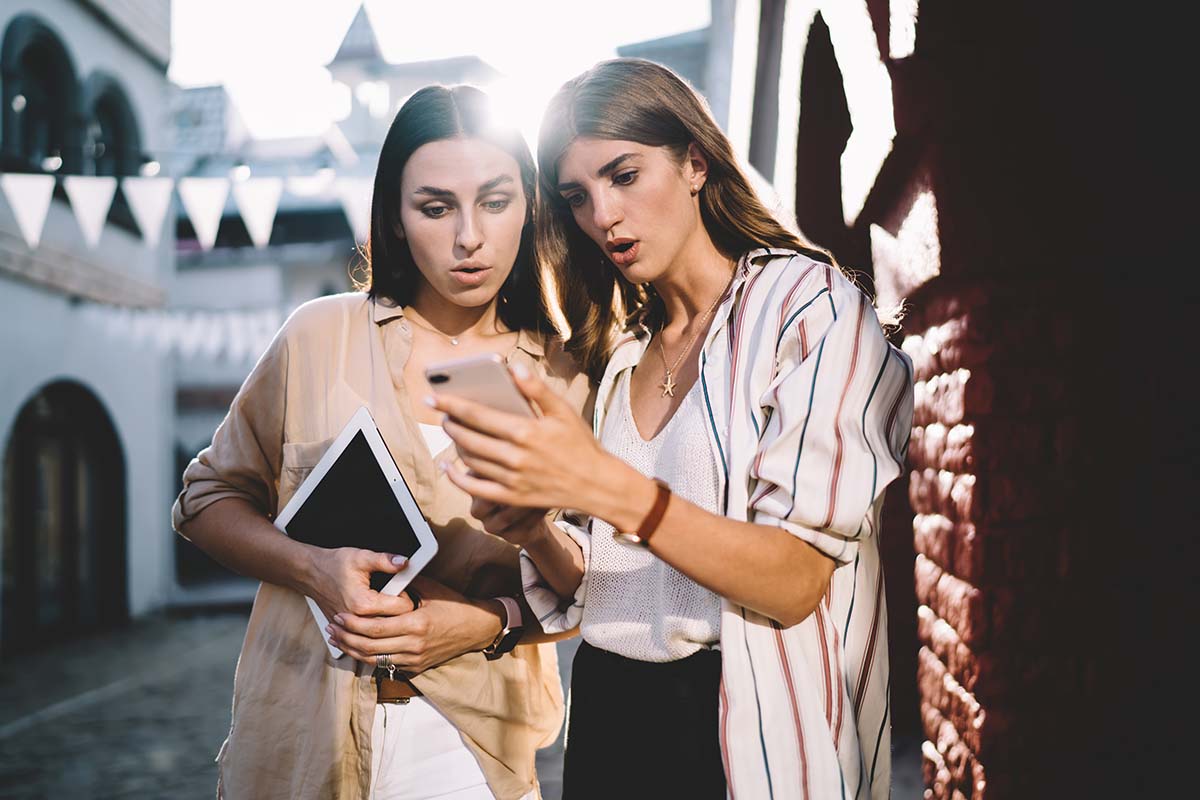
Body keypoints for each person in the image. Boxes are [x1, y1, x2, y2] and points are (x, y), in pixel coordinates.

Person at [431, 59, 914, 799]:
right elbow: (604, 588)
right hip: (612, 719)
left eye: (623, 175)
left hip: (745, 724)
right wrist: (535, 532)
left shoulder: (805, 308)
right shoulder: (618, 352)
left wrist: (607, 486)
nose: (603, 217)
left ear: (694, 161)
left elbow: (792, 581)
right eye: (578, 197)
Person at [172, 84, 590, 800]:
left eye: (495, 202)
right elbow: (205, 497)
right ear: (394, 220)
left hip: (473, 748)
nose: (469, 237)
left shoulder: (567, 376)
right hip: (302, 729)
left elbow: (597, 582)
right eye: (435, 207)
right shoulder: (319, 336)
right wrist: (309, 567)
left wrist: (486, 623)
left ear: (530, 204)